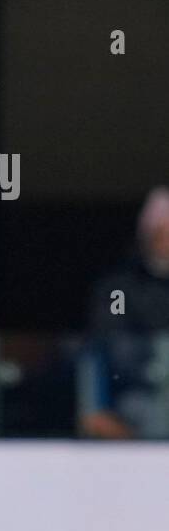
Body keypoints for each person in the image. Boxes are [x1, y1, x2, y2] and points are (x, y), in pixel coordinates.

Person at [83, 187, 169, 438]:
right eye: (164, 233)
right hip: (138, 397)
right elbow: (105, 351)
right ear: (150, 235)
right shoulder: (120, 287)